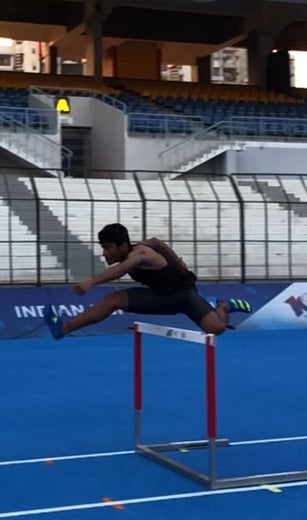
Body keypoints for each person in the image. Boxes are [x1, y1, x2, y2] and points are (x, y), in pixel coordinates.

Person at [43, 223, 252, 340]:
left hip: (184, 296)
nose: (104, 253)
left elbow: (122, 269)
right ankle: (64, 328)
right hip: (161, 297)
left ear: (123, 245)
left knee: (217, 329)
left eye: (108, 248)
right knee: (114, 299)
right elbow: (156, 241)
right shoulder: (143, 245)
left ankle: (224, 307)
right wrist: (178, 261)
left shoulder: (138, 254)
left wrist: (91, 283)